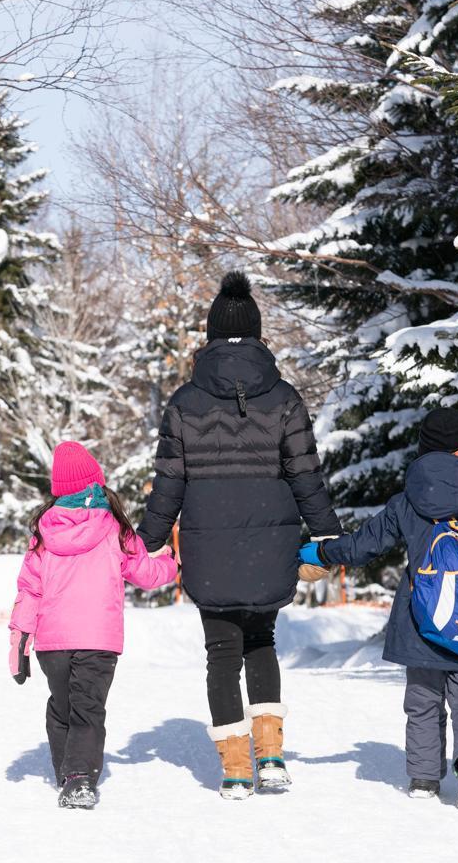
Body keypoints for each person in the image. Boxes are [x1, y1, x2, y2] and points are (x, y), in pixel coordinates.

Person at [137, 271, 343, 799]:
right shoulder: (285, 398)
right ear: (257, 334)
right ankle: (270, 756)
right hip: (269, 544)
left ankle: (235, 769)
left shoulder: (184, 401)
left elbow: (170, 479)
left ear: (210, 336)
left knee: (221, 654)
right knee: (262, 641)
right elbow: (305, 474)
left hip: (209, 545)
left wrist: (148, 538)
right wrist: (328, 535)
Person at [297, 407, 458, 809]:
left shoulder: (408, 502)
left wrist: (323, 551)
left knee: (423, 697)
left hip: (423, 619)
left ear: (423, 450)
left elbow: (365, 545)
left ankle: (423, 778)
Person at [8, 440, 178, 810]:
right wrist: (173, 563)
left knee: (62, 707)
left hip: (52, 644)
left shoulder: (44, 534)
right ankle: (78, 778)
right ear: (95, 483)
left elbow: (29, 590)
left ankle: (68, 773)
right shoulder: (114, 528)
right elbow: (145, 573)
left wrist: (19, 639)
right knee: (88, 708)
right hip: (99, 641)